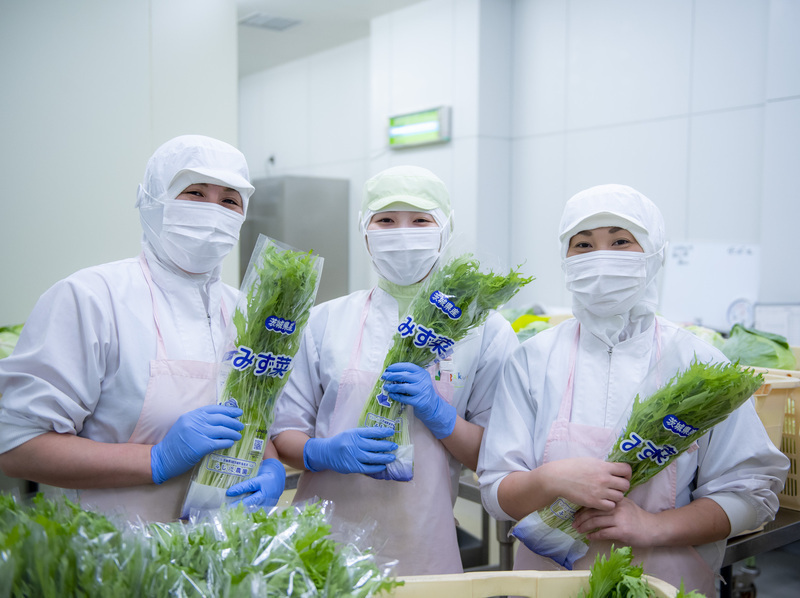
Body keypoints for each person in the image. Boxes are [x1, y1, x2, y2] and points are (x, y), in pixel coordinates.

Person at [477, 184, 789, 596]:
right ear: (566, 260)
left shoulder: (697, 362)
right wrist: (549, 480)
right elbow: (497, 492)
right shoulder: (533, 360)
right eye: (583, 245)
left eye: (621, 241)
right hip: (549, 585)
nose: (601, 257)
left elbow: (752, 494)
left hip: (665, 585)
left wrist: (653, 526)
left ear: (654, 252)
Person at [0, 135, 286, 521]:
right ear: (153, 200)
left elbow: (252, 421)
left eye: (229, 201)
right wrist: (156, 459)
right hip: (109, 548)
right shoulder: (91, 298)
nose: (213, 212)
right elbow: (18, 446)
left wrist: (270, 464)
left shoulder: (245, 312)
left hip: (220, 548)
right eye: (195, 193)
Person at [270, 165, 519, 575]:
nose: (403, 233)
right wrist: (322, 451)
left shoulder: (485, 331)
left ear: (445, 229)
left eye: (420, 220)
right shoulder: (325, 321)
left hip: (424, 544)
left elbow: (494, 455)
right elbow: (284, 435)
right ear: (365, 231)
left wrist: (442, 418)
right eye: (385, 220)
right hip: (323, 542)